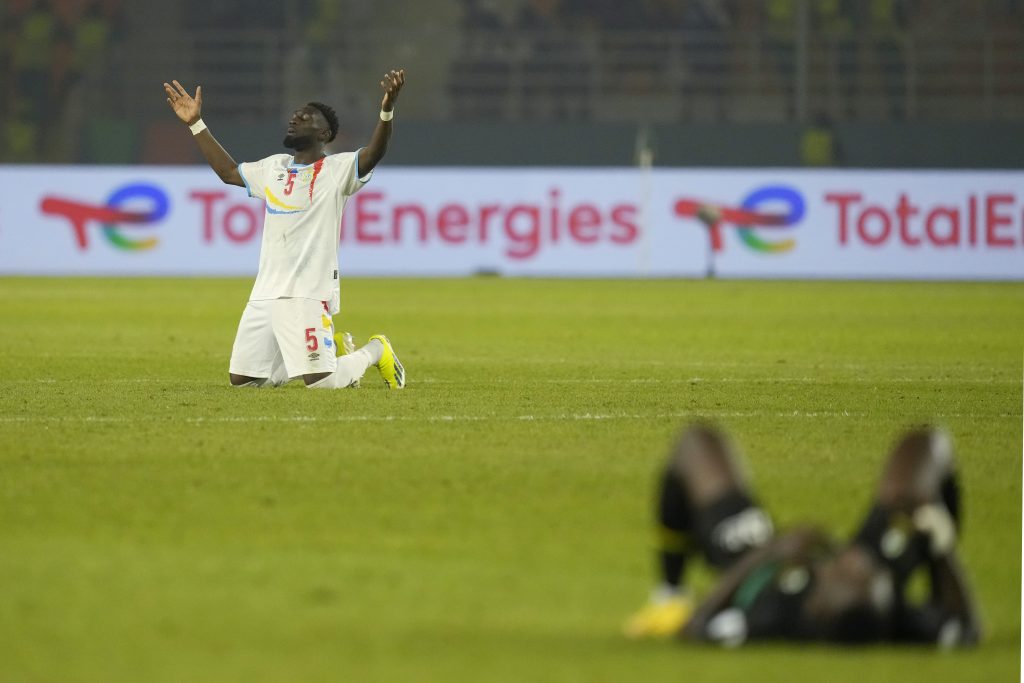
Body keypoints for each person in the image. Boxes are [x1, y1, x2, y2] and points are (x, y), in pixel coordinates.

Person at [624, 423, 981, 646]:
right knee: (925, 444)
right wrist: (939, 545)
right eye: (861, 569)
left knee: (697, 444)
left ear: (816, 600)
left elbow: (696, 626)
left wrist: (773, 551)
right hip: (860, 574)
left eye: (845, 572)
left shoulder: (769, 617)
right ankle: (922, 523)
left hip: (761, 564)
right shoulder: (892, 613)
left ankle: (669, 596)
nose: (849, 558)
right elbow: (966, 628)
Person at [162, 70, 407, 390]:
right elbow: (228, 172)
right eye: (295, 115)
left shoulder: (337, 170)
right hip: (266, 291)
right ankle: (323, 350)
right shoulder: (273, 167)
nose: (296, 118)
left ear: (325, 133)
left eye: (306, 116)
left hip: (308, 292)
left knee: (322, 383)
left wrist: (386, 109)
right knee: (244, 383)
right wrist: (196, 123)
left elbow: (374, 153)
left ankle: (376, 350)